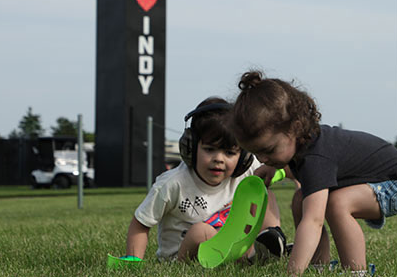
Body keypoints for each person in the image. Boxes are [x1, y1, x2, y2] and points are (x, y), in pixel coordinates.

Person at [230, 71, 397, 276]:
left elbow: (313, 221)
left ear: (296, 128)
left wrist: (292, 272)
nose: (263, 158)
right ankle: (318, 265)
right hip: (376, 180)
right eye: (257, 153)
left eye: (268, 151)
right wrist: (276, 167)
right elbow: (296, 168)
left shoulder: (316, 157)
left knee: (337, 204)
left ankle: (355, 272)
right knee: (301, 199)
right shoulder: (302, 144)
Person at [121, 97, 286, 262]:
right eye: (209, 149)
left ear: (243, 156)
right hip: (185, 257)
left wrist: (277, 170)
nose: (219, 159)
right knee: (201, 231)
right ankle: (250, 255)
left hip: (232, 249)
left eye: (229, 153)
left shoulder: (246, 171)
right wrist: (133, 260)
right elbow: (141, 222)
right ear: (190, 147)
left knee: (264, 191)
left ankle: (268, 243)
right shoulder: (173, 183)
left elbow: (281, 165)